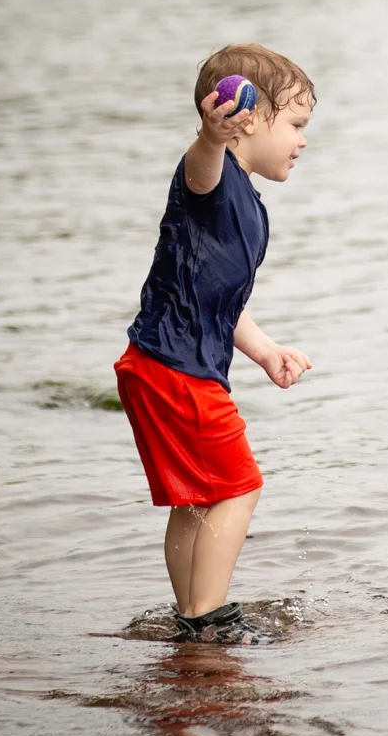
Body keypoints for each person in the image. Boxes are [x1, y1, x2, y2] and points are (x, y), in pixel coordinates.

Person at [114, 43, 315, 645]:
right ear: (248, 120)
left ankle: (189, 614)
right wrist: (209, 133)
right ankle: (207, 619)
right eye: (297, 126)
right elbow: (201, 165)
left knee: (194, 500)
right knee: (240, 487)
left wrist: (266, 350)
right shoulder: (212, 176)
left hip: (153, 364)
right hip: (177, 372)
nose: (303, 142)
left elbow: (219, 300)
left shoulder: (246, 201)